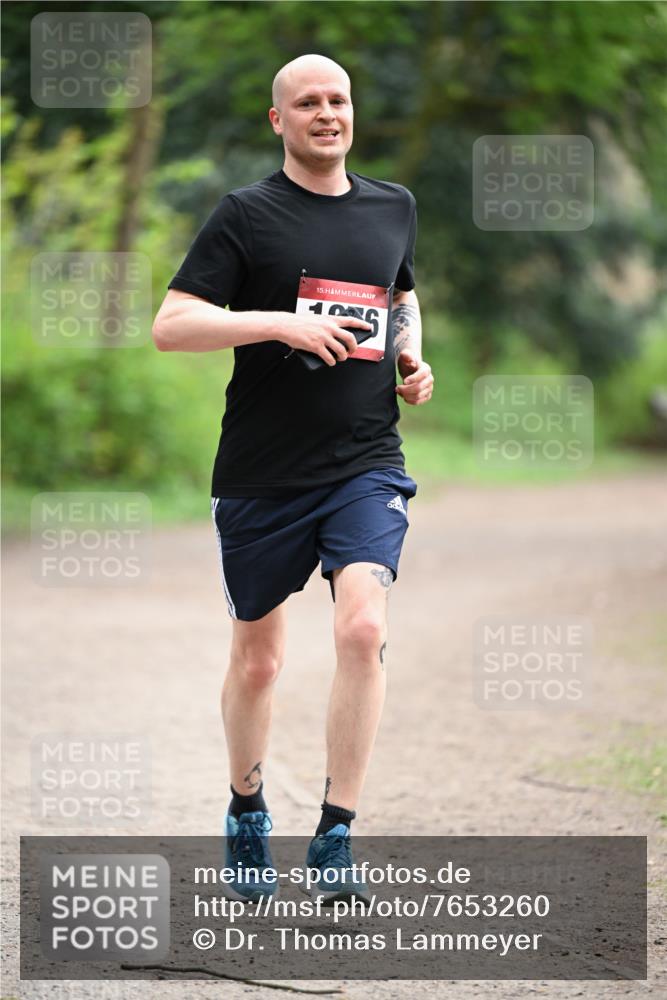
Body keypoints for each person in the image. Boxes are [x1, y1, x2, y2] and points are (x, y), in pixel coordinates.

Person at [152, 53, 434, 904]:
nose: (326, 113)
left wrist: (415, 355)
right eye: (306, 102)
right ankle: (245, 807)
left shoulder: (394, 207)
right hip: (263, 473)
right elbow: (172, 325)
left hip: (364, 460)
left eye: (338, 99)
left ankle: (335, 832)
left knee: (361, 629)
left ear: (354, 113)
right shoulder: (245, 215)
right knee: (260, 662)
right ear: (278, 120)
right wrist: (277, 323)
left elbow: (400, 295)